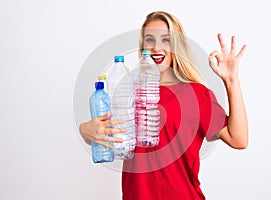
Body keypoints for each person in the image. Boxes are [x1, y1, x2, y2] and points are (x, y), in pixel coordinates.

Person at [79, 11, 248, 200]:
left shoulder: (197, 95)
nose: (156, 48)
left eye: (166, 40)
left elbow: (238, 139)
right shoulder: (128, 91)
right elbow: (106, 134)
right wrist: (85, 130)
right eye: (149, 40)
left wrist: (231, 80)